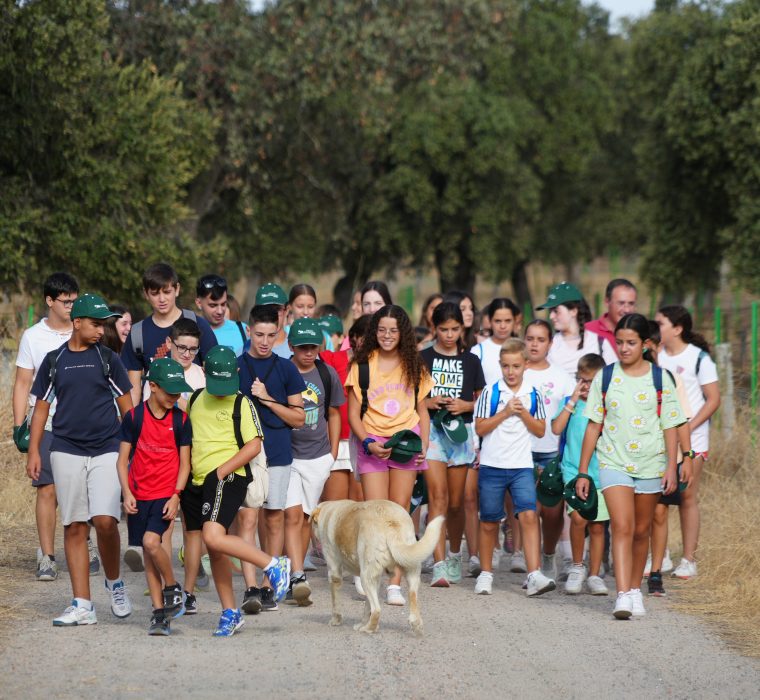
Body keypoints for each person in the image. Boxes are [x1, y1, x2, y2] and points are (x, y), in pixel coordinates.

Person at [27, 294, 134, 625]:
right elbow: (42, 406)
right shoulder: (54, 360)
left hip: (106, 448)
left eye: (104, 324)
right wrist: (34, 450)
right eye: (96, 323)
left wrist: (133, 451)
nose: (102, 330)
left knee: (104, 520)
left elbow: (128, 408)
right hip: (65, 449)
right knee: (74, 525)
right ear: (77, 323)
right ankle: (83, 605)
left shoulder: (108, 360)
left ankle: (114, 582)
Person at [577, 313, 688, 619]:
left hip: (651, 464)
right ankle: (623, 595)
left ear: (645, 344)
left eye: (631, 343)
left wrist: (671, 466)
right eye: (619, 342)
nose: (624, 348)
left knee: (642, 531)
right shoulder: (606, 376)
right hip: (613, 461)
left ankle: (636, 591)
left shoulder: (659, 379)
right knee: (622, 526)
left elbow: (670, 425)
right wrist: (584, 470)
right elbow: (593, 425)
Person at [184, 345, 291, 636]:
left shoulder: (241, 401)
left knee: (213, 536)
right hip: (197, 481)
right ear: (204, 372)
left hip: (227, 477)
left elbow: (254, 444)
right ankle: (230, 613)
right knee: (215, 549)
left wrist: (221, 471)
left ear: (237, 374)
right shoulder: (194, 398)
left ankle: (273, 564)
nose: (221, 390)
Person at [12, 273, 100, 580]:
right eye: (66, 302)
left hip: (82, 421)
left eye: (75, 301)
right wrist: (18, 424)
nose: (71, 307)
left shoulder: (85, 330)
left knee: (83, 487)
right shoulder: (33, 337)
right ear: (50, 301)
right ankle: (47, 555)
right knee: (47, 488)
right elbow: (23, 382)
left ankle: (85, 541)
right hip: (46, 421)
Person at [345, 304, 433, 605]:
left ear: (403, 333)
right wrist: (367, 441)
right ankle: (369, 572)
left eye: (393, 330)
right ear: (374, 332)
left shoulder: (414, 366)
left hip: (406, 443)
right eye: (381, 330)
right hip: (373, 444)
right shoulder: (362, 366)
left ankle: (394, 583)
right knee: (375, 514)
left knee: (400, 513)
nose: (386, 335)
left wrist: (425, 444)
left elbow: (422, 411)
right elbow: (353, 414)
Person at [237, 304, 306, 613]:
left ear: (279, 334)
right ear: (249, 331)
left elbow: (298, 418)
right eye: (259, 334)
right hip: (245, 453)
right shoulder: (237, 367)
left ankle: (269, 585)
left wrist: (267, 399)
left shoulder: (287, 368)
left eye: (270, 335)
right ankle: (250, 587)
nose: (264, 341)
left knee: (274, 516)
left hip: (278, 451)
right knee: (248, 517)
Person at [117, 358, 193, 636]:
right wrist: (126, 493)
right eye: (170, 392)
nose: (176, 397)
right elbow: (122, 460)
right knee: (149, 555)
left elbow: (185, 464)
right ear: (152, 387)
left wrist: (176, 496)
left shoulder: (181, 420)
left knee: (152, 542)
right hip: (139, 495)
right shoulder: (134, 417)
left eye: (178, 392)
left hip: (165, 494)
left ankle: (172, 586)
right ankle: (159, 614)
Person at [473, 338, 553, 596]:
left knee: (529, 515)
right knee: (489, 521)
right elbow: (480, 427)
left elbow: (540, 430)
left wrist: (523, 413)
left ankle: (534, 574)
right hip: (492, 465)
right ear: (500, 365)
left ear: (525, 365)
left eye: (516, 366)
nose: (511, 372)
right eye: (506, 366)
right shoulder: (490, 392)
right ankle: (485, 574)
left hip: (521, 466)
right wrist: (506, 412)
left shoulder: (534, 393)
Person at [421, 302, 485, 587]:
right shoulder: (423, 358)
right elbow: (410, 396)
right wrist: (429, 402)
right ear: (434, 328)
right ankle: (438, 564)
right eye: (443, 329)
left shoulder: (471, 360)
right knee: (437, 498)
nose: (449, 335)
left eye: (455, 329)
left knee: (457, 504)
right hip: (433, 432)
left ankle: (455, 552)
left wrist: (466, 404)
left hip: (461, 433)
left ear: (462, 328)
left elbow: (484, 400)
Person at [655, 305, 720, 580]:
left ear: (678, 328)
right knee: (657, 498)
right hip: (660, 440)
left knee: (686, 497)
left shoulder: (699, 359)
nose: (657, 329)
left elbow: (714, 399)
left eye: (661, 324)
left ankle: (689, 559)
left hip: (693, 439)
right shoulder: (656, 356)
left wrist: (686, 429)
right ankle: (661, 555)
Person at [284, 317, 345, 605]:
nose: (308, 352)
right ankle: (297, 574)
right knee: (292, 515)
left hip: (318, 456)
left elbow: (333, 412)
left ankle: (290, 570)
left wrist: (332, 453)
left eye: (313, 347)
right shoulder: (283, 371)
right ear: (290, 346)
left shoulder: (326, 372)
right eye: (302, 347)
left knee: (306, 517)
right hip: (289, 455)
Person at [550, 353, 609, 596]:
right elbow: (555, 428)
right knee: (578, 519)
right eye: (582, 380)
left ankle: (594, 574)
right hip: (573, 470)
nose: (586, 387)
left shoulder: (607, 405)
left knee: (597, 526)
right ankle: (576, 566)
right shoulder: (571, 404)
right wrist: (572, 401)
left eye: (591, 382)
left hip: (602, 472)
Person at [643, 320, 693, 597]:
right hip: (635, 456)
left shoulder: (670, 379)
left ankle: (655, 570)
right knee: (640, 516)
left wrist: (687, 456)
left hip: (666, 457)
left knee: (660, 513)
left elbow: (681, 419)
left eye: (651, 346)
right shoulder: (619, 377)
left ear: (657, 346)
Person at [122, 262, 217, 407]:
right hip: (155, 419)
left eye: (166, 292)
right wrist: (133, 423)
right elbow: (134, 391)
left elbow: (212, 376)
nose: (161, 299)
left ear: (177, 289)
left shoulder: (198, 324)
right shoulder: (137, 333)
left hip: (195, 415)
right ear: (146, 294)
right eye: (155, 293)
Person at [523, 319, 575, 580]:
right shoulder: (517, 373)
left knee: (553, 513)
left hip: (552, 451)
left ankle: (548, 555)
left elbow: (568, 418)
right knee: (528, 510)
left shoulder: (562, 378)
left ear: (549, 344)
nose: (534, 344)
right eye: (530, 338)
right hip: (521, 450)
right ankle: (532, 568)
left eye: (540, 339)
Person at [320, 315, 370, 503]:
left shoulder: (379, 366)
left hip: (365, 440)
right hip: (336, 441)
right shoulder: (331, 359)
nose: (368, 342)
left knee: (360, 505)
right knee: (335, 506)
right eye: (364, 336)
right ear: (353, 336)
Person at [537, 282, 617, 375]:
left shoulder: (599, 343)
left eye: (556, 311)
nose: (551, 316)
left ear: (573, 311)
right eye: (550, 311)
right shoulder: (549, 345)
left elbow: (615, 378)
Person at [195, 274, 248, 356]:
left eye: (223, 304)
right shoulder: (190, 332)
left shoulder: (243, 330)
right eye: (213, 305)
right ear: (199, 303)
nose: (220, 311)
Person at [471, 298, 520, 384]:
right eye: (497, 321)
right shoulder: (477, 351)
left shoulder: (523, 349)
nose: (503, 326)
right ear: (490, 321)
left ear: (515, 321)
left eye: (508, 321)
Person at [585, 279, 638, 355]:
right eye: (621, 303)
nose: (627, 309)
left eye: (631, 303)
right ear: (607, 302)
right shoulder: (588, 331)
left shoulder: (641, 333)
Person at [254, 282, 291, 358]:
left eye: (277, 309)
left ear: (286, 310)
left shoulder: (299, 349)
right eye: (265, 309)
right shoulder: (246, 349)